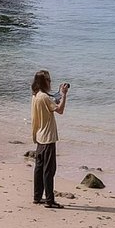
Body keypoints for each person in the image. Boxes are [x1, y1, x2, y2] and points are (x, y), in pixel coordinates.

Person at [29, 70, 69, 208]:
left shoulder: (36, 96)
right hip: (48, 137)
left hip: (40, 136)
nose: (50, 82)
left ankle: (37, 196)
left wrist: (58, 95)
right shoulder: (44, 98)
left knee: (39, 169)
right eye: (48, 80)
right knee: (49, 170)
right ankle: (50, 200)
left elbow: (51, 104)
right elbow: (60, 110)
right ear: (43, 82)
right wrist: (64, 95)